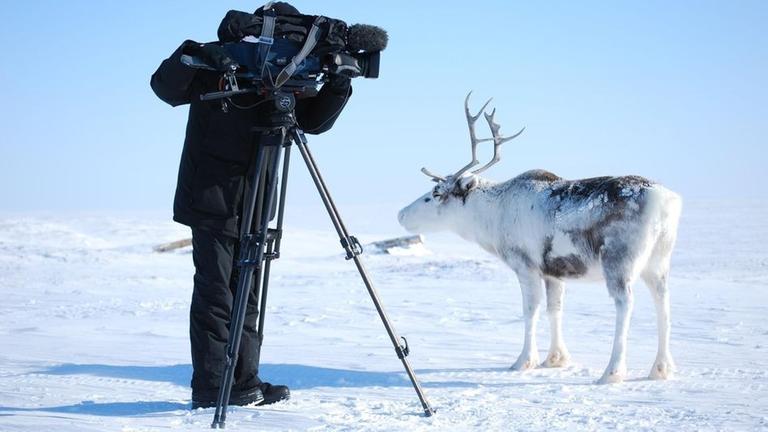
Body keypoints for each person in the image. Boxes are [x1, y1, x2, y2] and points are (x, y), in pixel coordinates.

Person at [150, 2, 352, 409]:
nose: (278, 49)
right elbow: (164, 88)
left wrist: (339, 83)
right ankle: (211, 387)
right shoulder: (219, 62)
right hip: (211, 198)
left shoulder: (288, 74)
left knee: (250, 292)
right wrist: (199, 51)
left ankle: (244, 381)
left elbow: (313, 122)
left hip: (256, 202)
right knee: (217, 293)